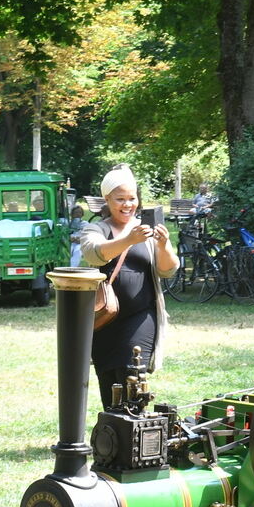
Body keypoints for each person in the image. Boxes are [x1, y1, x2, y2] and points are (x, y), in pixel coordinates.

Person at [79, 166, 180, 410]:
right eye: (120, 199)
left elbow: (168, 270)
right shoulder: (97, 229)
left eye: (132, 198)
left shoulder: (147, 229)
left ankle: (135, 435)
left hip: (140, 318)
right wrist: (128, 239)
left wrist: (164, 245)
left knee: (132, 374)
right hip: (103, 320)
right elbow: (94, 254)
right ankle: (114, 438)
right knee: (109, 381)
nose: (128, 204)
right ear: (107, 200)